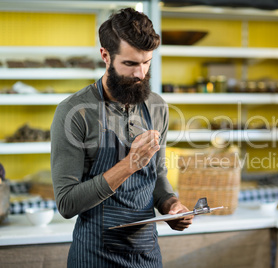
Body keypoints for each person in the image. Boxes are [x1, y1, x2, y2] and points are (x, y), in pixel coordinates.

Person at [51, 7, 193, 268]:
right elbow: (67, 203)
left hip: (146, 255)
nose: (141, 74)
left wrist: (172, 206)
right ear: (105, 56)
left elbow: (156, 177)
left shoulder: (157, 107)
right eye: (130, 63)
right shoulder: (74, 112)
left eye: (147, 62)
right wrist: (130, 164)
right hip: (94, 257)